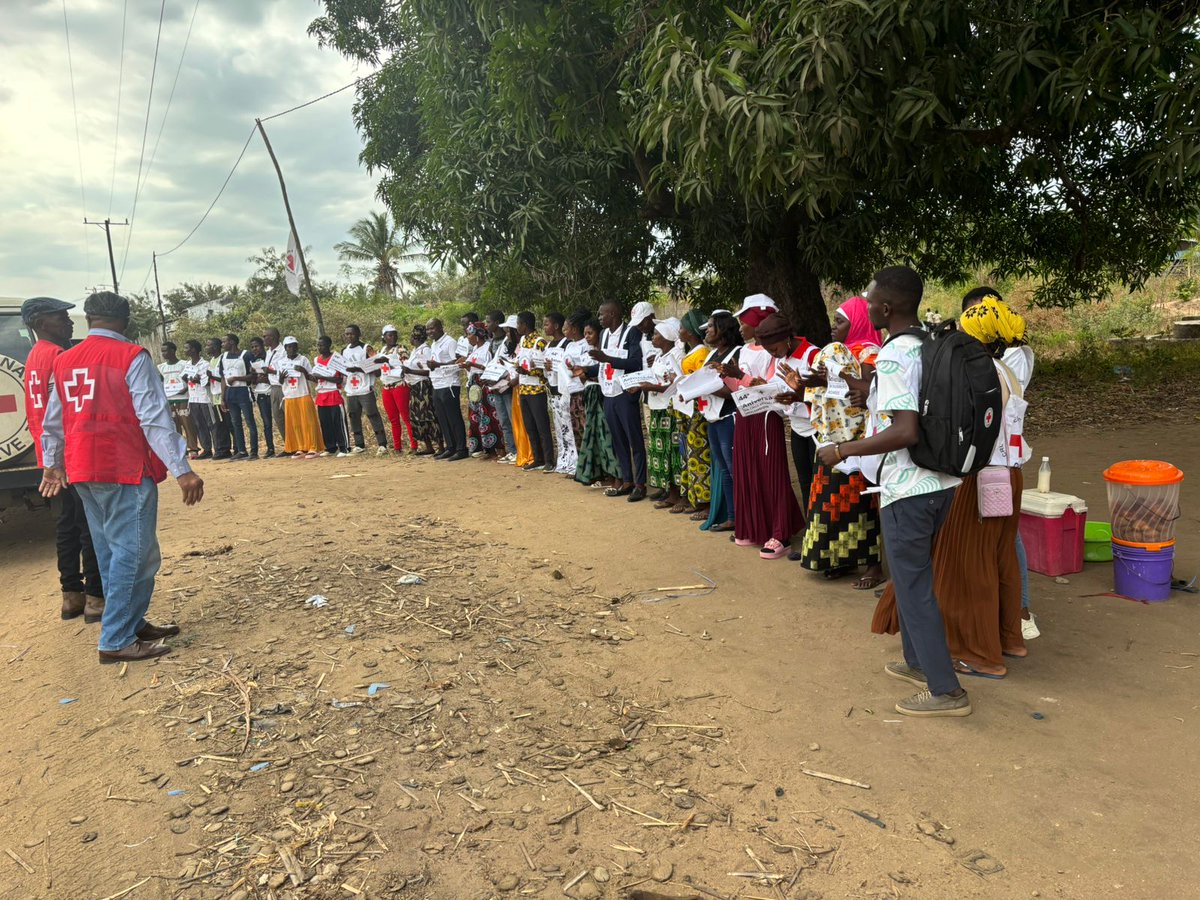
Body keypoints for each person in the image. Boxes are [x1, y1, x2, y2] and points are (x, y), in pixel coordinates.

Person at [816, 266, 970, 718]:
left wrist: (841, 449)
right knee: (910, 581)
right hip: (941, 480)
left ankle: (946, 692)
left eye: (868, 298)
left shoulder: (893, 355)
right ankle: (918, 662)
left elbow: (904, 430)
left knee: (915, 585)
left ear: (885, 307)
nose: (864, 304)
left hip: (908, 487)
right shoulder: (929, 344)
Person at [38, 291, 203, 664]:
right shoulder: (131, 356)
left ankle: (130, 623)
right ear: (126, 321)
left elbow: (53, 420)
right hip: (123, 467)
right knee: (138, 553)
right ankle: (115, 640)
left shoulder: (65, 360)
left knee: (112, 551)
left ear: (88, 318)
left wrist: (53, 462)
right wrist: (183, 470)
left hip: (83, 469)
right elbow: (154, 417)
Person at [880, 293, 1030, 678]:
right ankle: (1009, 638)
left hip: (981, 477)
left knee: (969, 567)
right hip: (1009, 474)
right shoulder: (1008, 368)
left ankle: (980, 655)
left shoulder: (978, 371)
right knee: (1001, 559)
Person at [21, 296, 105, 624]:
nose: (69, 322)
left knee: (67, 525)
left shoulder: (34, 356)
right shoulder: (58, 356)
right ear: (42, 323)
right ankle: (96, 597)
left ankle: (72, 596)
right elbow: (67, 410)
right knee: (89, 525)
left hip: (50, 456)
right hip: (69, 455)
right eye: (61, 318)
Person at [963, 286, 1039, 640]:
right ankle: (1007, 613)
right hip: (1001, 462)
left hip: (995, 465)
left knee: (1005, 541)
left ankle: (1018, 611)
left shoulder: (1006, 362)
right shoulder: (1004, 361)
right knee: (1001, 540)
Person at [785, 338, 884, 588]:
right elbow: (823, 401)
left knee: (864, 508)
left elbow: (870, 392)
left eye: (841, 321)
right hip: (831, 439)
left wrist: (832, 378)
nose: (835, 327)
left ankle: (873, 564)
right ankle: (840, 559)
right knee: (832, 504)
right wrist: (800, 389)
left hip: (860, 439)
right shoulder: (835, 354)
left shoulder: (870, 354)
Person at [724, 307, 804, 560]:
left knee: (773, 474)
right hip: (746, 412)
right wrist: (730, 378)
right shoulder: (746, 350)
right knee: (749, 471)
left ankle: (780, 532)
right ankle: (754, 526)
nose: (741, 328)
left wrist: (742, 376)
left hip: (766, 415)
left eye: (744, 322)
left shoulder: (775, 353)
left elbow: (768, 387)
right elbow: (746, 385)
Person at [589, 301, 647, 501]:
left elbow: (635, 362)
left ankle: (640, 484)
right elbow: (603, 365)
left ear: (613, 314)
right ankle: (627, 480)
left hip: (625, 392)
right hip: (609, 393)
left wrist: (606, 358)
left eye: (601, 314)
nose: (599, 317)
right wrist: (585, 370)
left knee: (634, 439)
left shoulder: (631, 333)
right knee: (618, 440)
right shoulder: (604, 335)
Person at [633, 317, 685, 509]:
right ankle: (669, 491)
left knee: (673, 453)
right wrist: (639, 386)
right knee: (661, 452)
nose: (653, 337)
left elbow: (676, 383)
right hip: (656, 408)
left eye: (656, 334)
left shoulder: (677, 355)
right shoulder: (660, 356)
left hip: (669, 409)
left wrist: (651, 386)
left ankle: (680, 494)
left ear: (667, 337)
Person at [700, 311, 744, 533]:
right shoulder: (712, 355)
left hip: (729, 417)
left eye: (710, 326)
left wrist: (706, 387)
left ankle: (744, 517)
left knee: (735, 469)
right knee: (724, 469)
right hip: (713, 417)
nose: (706, 330)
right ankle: (732, 516)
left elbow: (736, 391)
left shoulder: (737, 354)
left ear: (723, 329)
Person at [573, 317, 622, 488]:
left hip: (600, 393)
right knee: (593, 435)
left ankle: (614, 473)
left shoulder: (603, 352)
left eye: (590, 333)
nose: (587, 336)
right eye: (585, 333)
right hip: (589, 392)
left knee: (604, 434)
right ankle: (598, 473)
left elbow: (604, 372)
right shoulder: (585, 352)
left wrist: (588, 373)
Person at [672, 311, 711, 520]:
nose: (679, 331)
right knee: (688, 454)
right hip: (687, 408)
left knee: (699, 454)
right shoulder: (691, 352)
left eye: (682, 327)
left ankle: (705, 501)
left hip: (697, 409)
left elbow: (702, 380)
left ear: (691, 330)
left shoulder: (702, 353)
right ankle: (694, 497)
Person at [341, 324, 390, 455]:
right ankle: (359, 445)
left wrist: (357, 369)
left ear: (358, 334)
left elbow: (377, 368)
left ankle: (382, 444)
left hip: (365, 388)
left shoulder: (366, 348)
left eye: (352, 333)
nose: (349, 336)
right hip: (351, 389)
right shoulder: (344, 351)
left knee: (373, 415)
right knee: (353, 416)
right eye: (347, 334)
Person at [516, 311, 554, 472]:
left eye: (518, 323)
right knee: (530, 426)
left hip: (536, 389)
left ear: (525, 324)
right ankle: (537, 459)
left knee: (542, 426)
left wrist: (528, 372)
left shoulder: (539, 342)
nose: (517, 327)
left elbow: (544, 368)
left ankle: (549, 460)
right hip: (523, 389)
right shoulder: (522, 340)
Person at [461, 321, 505, 457]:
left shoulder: (487, 347)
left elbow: (488, 367)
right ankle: (484, 448)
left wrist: (474, 365)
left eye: (470, 334)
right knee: (477, 417)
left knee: (489, 416)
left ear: (477, 335)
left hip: (483, 383)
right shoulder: (474, 349)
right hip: (474, 384)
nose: (467, 337)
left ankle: (498, 448)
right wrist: (467, 366)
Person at [427, 318, 468, 460]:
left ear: (440, 327)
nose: (430, 332)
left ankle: (461, 448)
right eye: (428, 329)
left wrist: (438, 364)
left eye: (432, 328)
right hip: (437, 384)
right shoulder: (434, 343)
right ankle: (450, 447)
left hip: (449, 384)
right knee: (443, 418)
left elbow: (457, 361)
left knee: (454, 417)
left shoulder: (450, 342)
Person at [544, 312, 578, 475]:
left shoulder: (567, 344)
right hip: (552, 390)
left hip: (564, 391)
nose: (544, 327)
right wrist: (546, 368)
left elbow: (568, 367)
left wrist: (556, 367)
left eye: (546, 324)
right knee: (559, 428)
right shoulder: (548, 346)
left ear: (556, 326)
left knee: (569, 427)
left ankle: (574, 462)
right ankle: (563, 460)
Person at [278, 337, 322, 458]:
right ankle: (300, 447)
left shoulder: (303, 359)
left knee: (309, 422)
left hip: (302, 394)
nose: (291, 349)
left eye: (293, 346)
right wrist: (281, 378)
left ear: (297, 347)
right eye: (288, 346)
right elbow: (280, 381)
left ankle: (313, 447)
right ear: (285, 348)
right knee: (295, 424)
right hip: (289, 396)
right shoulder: (281, 362)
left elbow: (313, 379)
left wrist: (304, 371)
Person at [402, 324, 441, 456]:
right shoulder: (415, 350)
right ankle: (428, 446)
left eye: (411, 336)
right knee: (417, 417)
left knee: (429, 415)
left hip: (424, 386)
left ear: (415, 338)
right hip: (414, 386)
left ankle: (440, 446)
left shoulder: (426, 350)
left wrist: (410, 370)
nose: (410, 339)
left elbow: (429, 371)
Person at [219, 333, 259, 461]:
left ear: (232, 342)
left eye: (224, 342)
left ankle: (254, 451)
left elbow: (253, 376)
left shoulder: (246, 355)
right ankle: (241, 450)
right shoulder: (223, 357)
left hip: (243, 391)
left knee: (249, 422)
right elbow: (223, 378)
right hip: (230, 393)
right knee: (236, 423)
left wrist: (236, 378)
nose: (222, 344)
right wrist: (223, 397)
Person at [376, 325, 415, 452]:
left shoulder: (401, 349)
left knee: (406, 417)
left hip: (399, 385)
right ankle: (397, 447)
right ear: (384, 337)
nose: (393, 337)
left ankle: (414, 446)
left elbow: (406, 365)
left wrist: (390, 363)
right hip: (386, 387)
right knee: (393, 419)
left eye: (394, 334)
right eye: (389, 335)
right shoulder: (381, 350)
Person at [560, 312, 591, 474]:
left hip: (583, 391)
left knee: (586, 430)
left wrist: (574, 370)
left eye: (567, 327)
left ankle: (592, 469)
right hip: (572, 392)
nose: (565, 329)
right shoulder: (570, 346)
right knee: (577, 431)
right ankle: (582, 468)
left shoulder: (586, 345)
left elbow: (584, 367)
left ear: (575, 328)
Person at [485, 310, 517, 459]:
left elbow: (510, 365)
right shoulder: (494, 342)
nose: (486, 325)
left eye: (488, 321)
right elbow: (494, 362)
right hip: (496, 385)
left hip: (508, 385)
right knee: (504, 420)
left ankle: (519, 451)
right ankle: (511, 450)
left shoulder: (512, 343)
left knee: (513, 419)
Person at [158, 341, 198, 457]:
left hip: (183, 398)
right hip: (169, 399)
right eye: (162, 351)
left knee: (187, 423)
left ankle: (193, 448)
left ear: (173, 351)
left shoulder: (184, 364)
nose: (163, 353)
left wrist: (185, 389)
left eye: (165, 350)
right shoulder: (161, 367)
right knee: (174, 425)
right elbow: (161, 382)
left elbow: (189, 380)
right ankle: (180, 449)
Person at [312, 335, 350, 456]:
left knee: (338, 421)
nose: (319, 347)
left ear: (329, 345)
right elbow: (315, 378)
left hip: (334, 392)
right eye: (318, 345)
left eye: (322, 345)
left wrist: (323, 376)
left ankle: (344, 447)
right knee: (325, 422)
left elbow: (339, 379)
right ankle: (330, 447)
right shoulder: (316, 360)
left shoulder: (336, 358)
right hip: (322, 393)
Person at [183, 340, 216, 459]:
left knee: (211, 424)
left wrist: (198, 380)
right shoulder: (187, 364)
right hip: (193, 398)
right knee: (199, 425)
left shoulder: (205, 364)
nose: (185, 350)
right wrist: (187, 378)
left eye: (187, 348)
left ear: (193, 350)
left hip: (204, 398)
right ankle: (206, 449)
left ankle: (217, 448)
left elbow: (208, 382)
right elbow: (185, 377)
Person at [248, 337, 278, 458]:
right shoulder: (253, 360)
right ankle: (270, 448)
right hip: (260, 393)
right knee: (266, 422)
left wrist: (266, 378)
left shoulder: (269, 357)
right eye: (252, 347)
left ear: (262, 346)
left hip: (271, 391)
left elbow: (275, 373)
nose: (255, 349)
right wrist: (254, 376)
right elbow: (253, 380)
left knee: (280, 418)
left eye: (257, 346)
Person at [204, 337, 232, 459]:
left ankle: (236, 448)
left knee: (229, 422)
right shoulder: (211, 360)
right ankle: (223, 449)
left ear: (215, 347)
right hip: (214, 395)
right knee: (219, 424)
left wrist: (212, 377)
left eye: (208, 345)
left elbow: (223, 378)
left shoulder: (222, 359)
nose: (206, 347)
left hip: (223, 394)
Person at [261, 328, 288, 442]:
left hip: (284, 386)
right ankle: (288, 444)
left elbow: (287, 370)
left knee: (288, 416)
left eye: (265, 336)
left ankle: (297, 445)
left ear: (273, 337)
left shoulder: (283, 351)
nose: (264, 339)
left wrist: (271, 371)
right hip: (273, 387)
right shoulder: (268, 352)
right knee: (278, 417)